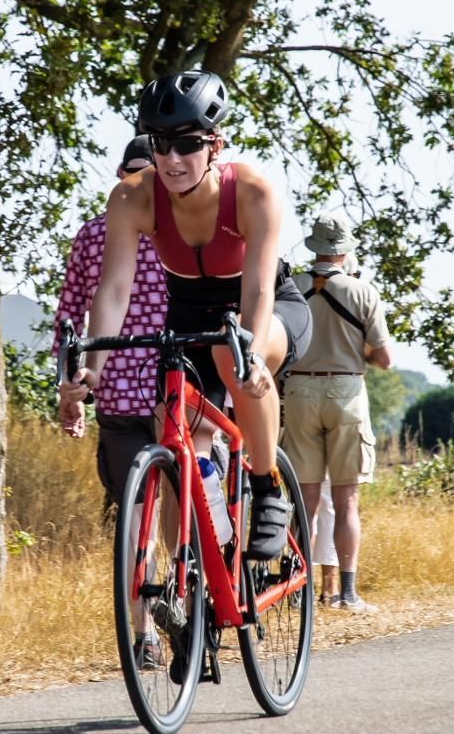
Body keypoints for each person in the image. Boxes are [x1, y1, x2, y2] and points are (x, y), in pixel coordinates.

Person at [60, 70, 313, 561]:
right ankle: (210, 555)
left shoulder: (253, 191)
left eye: (188, 144)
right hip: (190, 311)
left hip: (267, 308)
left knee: (230, 349)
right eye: (161, 144)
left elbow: (258, 286)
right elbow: (113, 291)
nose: (173, 159)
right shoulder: (133, 196)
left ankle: (267, 490)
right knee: (177, 433)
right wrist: (93, 368)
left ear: (215, 145)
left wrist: (254, 354)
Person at [283, 213, 392, 613]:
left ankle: (298, 592)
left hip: (298, 391)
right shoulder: (364, 292)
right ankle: (347, 593)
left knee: (304, 500)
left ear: (314, 248)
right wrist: (352, 348)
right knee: (346, 502)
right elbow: (384, 358)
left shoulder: (291, 288)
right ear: (344, 251)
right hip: (346, 390)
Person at [53, 136, 166, 511]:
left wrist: (70, 383)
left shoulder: (90, 234)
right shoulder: (182, 232)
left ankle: (139, 569)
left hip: (116, 393)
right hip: (176, 390)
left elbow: (68, 316)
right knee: (182, 508)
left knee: (132, 508)